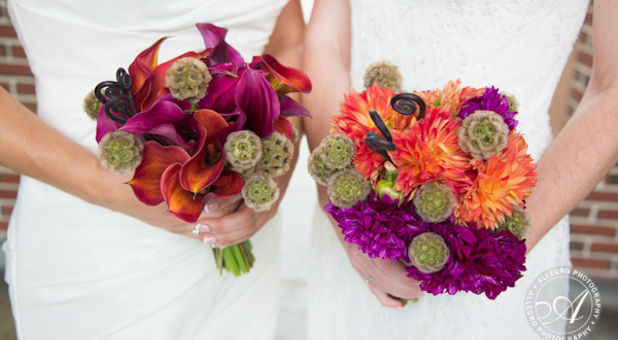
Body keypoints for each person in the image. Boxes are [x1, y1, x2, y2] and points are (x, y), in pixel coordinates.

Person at [301, 0, 618, 338]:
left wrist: (489, 250)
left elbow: (611, 89)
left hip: (510, 207)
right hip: (361, 224)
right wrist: (348, 217)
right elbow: (326, 41)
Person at [0, 0, 304, 338]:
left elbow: (289, 41)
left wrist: (273, 176)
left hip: (241, 230)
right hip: (92, 238)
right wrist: (113, 186)